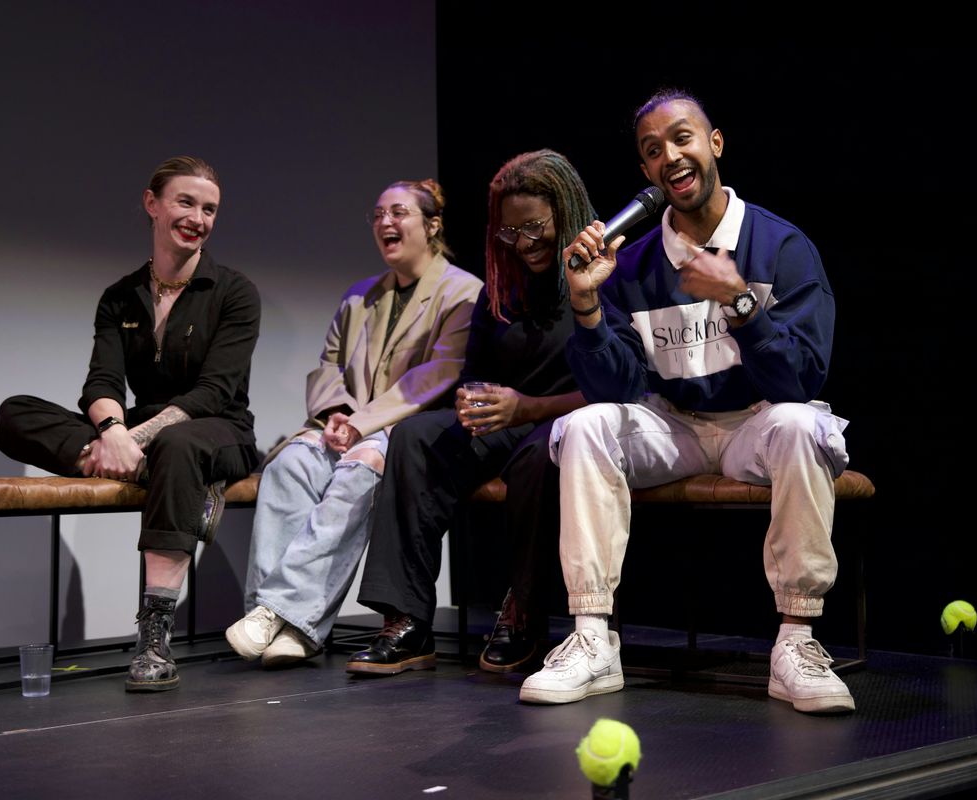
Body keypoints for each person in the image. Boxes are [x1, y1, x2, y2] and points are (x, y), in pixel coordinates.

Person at [519, 90, 854, 714]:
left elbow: (800, 380)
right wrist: (587, 306)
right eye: (653, 150)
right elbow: (615, 390)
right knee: (586, 425)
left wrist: (740, 302)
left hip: (757, 422)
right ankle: (592, 638)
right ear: (646, 172)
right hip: (675, 425)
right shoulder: (634, 264)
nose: (669, 156)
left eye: (681, 138)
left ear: (714, 143)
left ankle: (797, 642)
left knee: (802, 424)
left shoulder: (780, 246)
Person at [0, 156, 261, 692]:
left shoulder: (234, 292)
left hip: (219, 428)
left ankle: (154, 637)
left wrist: (129, 439)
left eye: (210, 209)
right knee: (15, 413)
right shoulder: (120, 297)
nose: (198, 218)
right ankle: (161, 474)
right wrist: (112, 432)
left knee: (179, 444)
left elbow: (213, 391)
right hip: (144, 433)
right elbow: (101, 382)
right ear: (152, 204)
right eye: (186, 202)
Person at [346, 150, 594, 676]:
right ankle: (408, 619)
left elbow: (620, 389)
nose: (523, 243)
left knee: (539, 457)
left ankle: (524, 609)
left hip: (572, 422)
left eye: (535, 227)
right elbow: (475, 372)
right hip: (507, 422)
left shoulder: (599, 277)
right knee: (414, 437)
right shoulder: (502, 289)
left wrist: (528, 407)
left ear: (566, 214)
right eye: (510, 232)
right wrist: (471, 401)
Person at [225, 179, 481, 667]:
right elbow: (329, 364)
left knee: (358, 473)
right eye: (378, 215)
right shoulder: (360, 296)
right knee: (289, 466)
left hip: (407, 430)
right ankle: (283, 621)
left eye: (399, 212)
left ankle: (280, 613)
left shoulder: (463, 292)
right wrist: (335, 414)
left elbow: (438, 374)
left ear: (432, 225)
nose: (385, 222)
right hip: (346, 423)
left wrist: (363, 424)